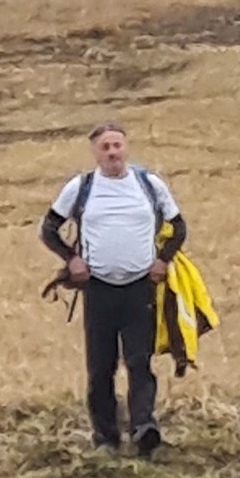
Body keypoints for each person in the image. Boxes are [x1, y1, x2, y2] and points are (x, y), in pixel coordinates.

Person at [39, 122, 186, 456]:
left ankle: (143, 429)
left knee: (139, 361)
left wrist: (163, 260)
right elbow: (48, 229)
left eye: (117, 145)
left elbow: (178, 227)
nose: (112, 152)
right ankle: (106, 437)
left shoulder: (149, 185)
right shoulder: (81, 187)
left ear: (126, 147)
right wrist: (71, 260)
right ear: (95, 153)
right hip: (99, 290)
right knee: (100, 368)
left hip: (140, 289)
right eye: (105, 147)